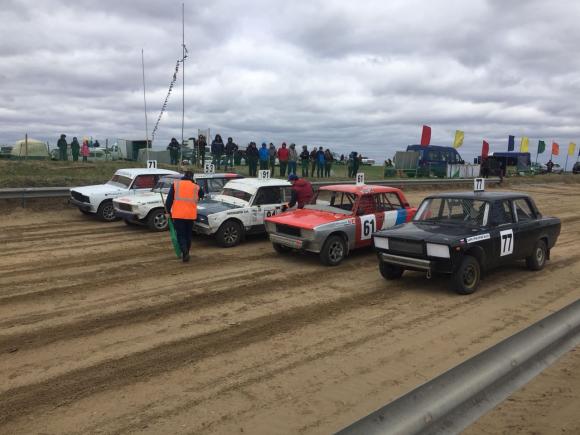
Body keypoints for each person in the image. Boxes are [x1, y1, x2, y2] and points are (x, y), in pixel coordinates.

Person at [165, 170, 204, 262]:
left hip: (178, 215)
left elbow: (169, 200)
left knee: (180, 235)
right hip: (190, 215)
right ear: (192, 177)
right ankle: (187, 252)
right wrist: (195, 183)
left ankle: (185, 252)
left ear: (184, 176)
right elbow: (202, 194)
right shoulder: (196, 187)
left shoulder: (176, 185)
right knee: (188, 235)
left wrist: (167, 212)